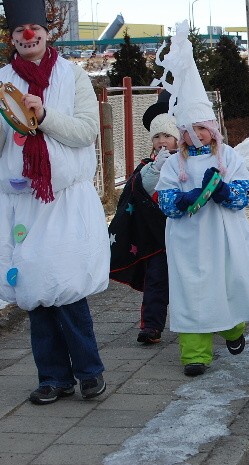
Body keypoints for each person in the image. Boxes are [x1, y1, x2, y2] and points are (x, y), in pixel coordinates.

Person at [0, 0, 109, 404]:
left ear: (46, 33)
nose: (27, 36)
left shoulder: (72, 76)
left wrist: (42, 115)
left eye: (33, 28)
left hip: (62, 198)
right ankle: (53, 378)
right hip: (20, 200)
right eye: (18, 31)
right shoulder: (3, 80)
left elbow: (84, 132)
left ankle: (89, 371)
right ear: (11, 38)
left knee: (65, 288)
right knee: (32, 291)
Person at [153, 21, 249, 377]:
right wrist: (179, 203)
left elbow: (243, 193)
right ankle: (195, 354)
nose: (197, 134)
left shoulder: (228, 157)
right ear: (182, 132)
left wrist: (225, 192)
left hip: (223, 234)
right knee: (192, 290)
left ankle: (232, 328)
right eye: (190, 129)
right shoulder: (175, 162)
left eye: (203, 127)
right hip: (188, 238)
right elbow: (164, 197)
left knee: (226, 282)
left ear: (212, 128)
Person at [109, 90, 178, 344]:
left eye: (168, 136)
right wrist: (156, 166)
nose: (162, 141)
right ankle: (151, 325)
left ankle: (206, 319)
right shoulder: (148, 166)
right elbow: (141, 189)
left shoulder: (189, 162)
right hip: (156, 236)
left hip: (187, 232)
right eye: (157, 136)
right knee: (157, 280)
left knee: (195, 278)